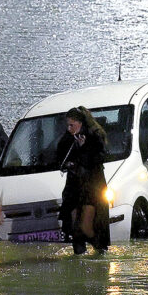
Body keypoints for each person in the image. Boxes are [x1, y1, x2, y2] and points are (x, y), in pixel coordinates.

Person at [56, 106, 109, 254]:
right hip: (74, 186)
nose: (69, 128)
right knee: (74, 227)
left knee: (86, 226)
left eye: (72, 125)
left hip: (92, 187)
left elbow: (99, 158)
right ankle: (79, 255)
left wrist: (83, 148)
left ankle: (100, 249)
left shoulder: (94, 136)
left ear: (81, 123)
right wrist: (68, 163)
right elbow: (59, 156)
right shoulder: (68, 138)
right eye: (67, 125)